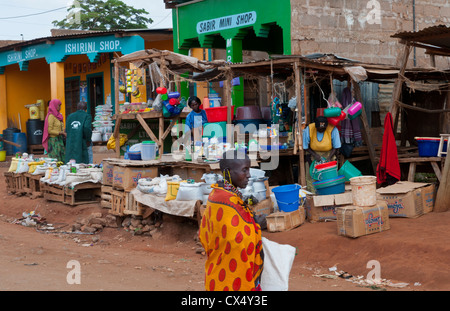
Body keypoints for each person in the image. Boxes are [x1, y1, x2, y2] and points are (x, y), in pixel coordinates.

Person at [198, 149, 264, 291]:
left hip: (223, 274)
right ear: (227, 172)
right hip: (232, 278)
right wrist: (255, 225)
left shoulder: (221, 194)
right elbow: (239, 240)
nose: (249, 175)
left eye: (249, 170)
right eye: (244, 170)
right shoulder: (223, 199)